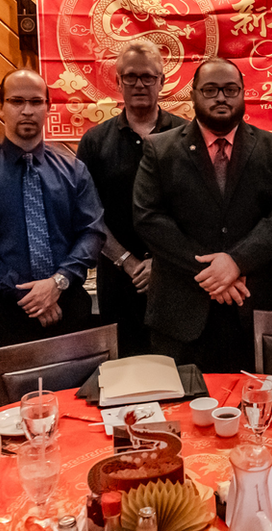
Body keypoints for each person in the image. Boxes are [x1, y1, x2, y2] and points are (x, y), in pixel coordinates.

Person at [132, 58, 272, 373]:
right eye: (210, 90)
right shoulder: (160, 149)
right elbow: (148, 217)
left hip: (252, 310)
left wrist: (236, 261)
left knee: (257, 411)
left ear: (243, 93)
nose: (221, 97)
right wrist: (213, 272)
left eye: (230, 89)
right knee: (180, 414)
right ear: (193, 94)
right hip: (180, 314)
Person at [0, 69, 105, 354]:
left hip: (68, 308)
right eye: (16, 101)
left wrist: (57, 283)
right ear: (0, 107)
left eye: (36, 102)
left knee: (79, 396)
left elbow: (91, 232)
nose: (27, 110)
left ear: (47, 107)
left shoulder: (73, 170)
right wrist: (30, 295)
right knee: (9, 399)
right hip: (4, 316)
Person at [77, 42, 187, 356]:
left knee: (177, 369)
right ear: (118, 82)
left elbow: (195, 212)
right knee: (124, 373)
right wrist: (128, 262)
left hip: (175, 279)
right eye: (131, 77)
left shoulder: (186, 136)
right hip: (118, 280)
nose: (139, 84)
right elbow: (89, 213)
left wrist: (162, 264)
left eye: (148, 77)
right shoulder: (95, 142)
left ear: (162, 82)